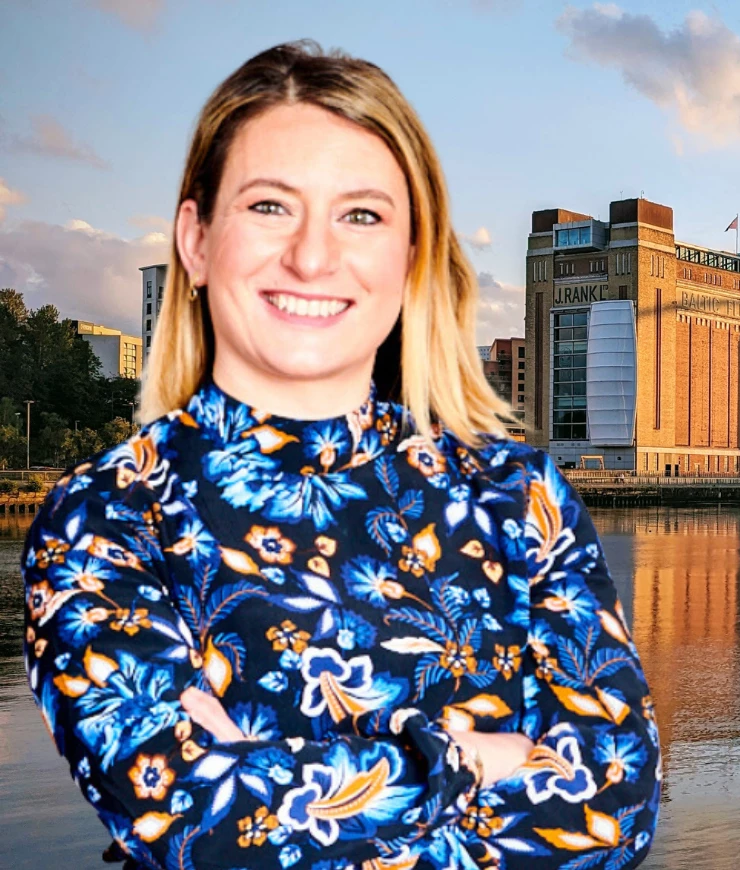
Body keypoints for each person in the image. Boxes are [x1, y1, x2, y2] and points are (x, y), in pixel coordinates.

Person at [18, 41, 659, 870]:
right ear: (197, 240)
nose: (313, 257)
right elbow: (197, 827)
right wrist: (476, 760)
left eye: (361, 215)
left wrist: (275, 776)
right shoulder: (106, 517)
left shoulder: (516, 495)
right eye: (269, 207)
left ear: (412, 254)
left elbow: (618, 808)